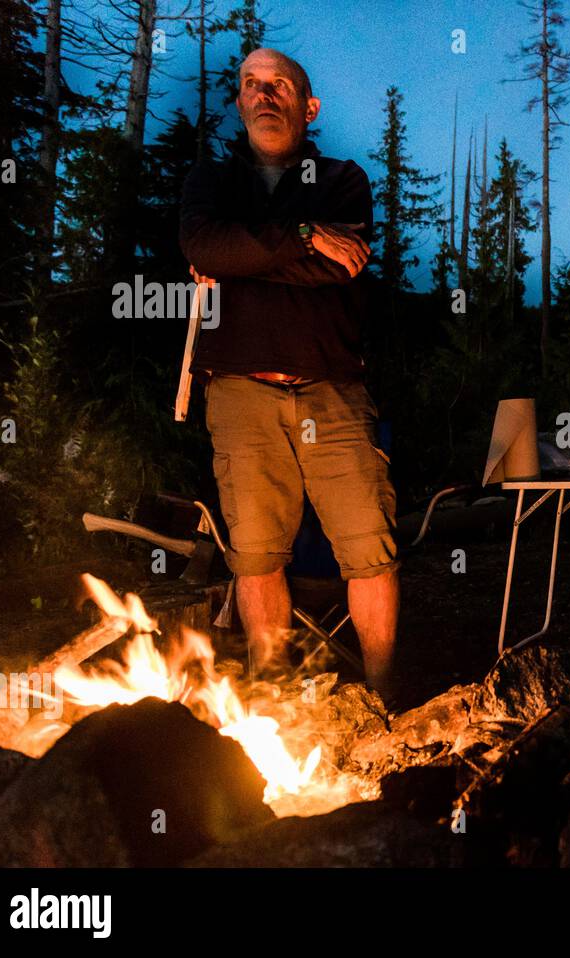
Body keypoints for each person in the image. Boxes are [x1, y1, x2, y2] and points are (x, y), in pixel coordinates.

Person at [179, 48, 398, 702]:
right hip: (240, 392)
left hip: (333, 389)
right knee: (256, 554)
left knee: (369, 551)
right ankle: (272, 706)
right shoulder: (212, 181)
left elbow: (341, 266)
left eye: (280, 86)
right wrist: (305, 234)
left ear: (309, 107)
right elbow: (203, 246)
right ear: (240, 101)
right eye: (251, 84)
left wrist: (243, 256)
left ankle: (386, 704)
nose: (264, 95)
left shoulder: (343, 179)